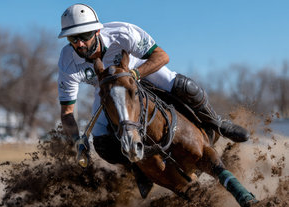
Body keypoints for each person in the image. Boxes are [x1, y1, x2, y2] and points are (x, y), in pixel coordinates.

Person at [57, 4, 249, 196]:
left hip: (137, 69)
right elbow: (67, 113)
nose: (80, 44)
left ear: (97, 30)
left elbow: (162, 56)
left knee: (184, 87)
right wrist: (76, 140)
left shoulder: (122, 32)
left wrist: (134, 74)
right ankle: (136, 166)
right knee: (102, 144)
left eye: (85, 36)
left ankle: (216, 122)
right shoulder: (67, 61)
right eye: (73, 38)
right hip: (106, 88)